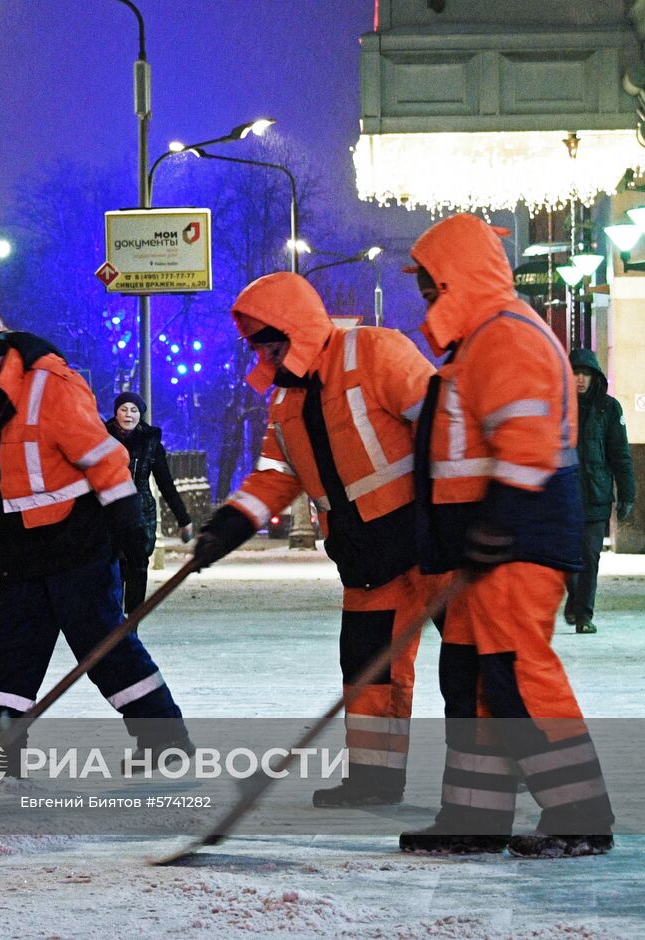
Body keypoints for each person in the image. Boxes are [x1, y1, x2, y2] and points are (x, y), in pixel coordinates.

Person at [187, 272, 444, 807]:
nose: (267, 356)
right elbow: (275, 477)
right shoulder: (285, 404)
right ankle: (375, 780)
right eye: (259, 346)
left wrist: (460, 515)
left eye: (273, 343)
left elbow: (444, 429)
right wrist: (226, 529)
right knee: (368, 670)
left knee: (480, 664)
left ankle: (496, 789)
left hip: (430, 546)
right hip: (367, 560)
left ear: (297, 331)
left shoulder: (377, 352)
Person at [401, 212, 612, 857]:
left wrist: (495, 523)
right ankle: (476, 818)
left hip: (516, 540)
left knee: (519, 676)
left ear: (458, 278)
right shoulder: (483, 340)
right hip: (489, 542)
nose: (427, 298)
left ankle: (580, 816)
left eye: (432, 285)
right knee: (477, 683)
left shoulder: (505, 335)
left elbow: (525, 437)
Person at [0, 301, 193, 767]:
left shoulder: (51, 386)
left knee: (105, 649)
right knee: (13, 652)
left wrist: (130, 527)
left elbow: (106, 460)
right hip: (21, 554)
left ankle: (164, 743)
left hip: (77, 547)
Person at [564, 349, 634, 634]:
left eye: (586, 374)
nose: (580, 379)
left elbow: (620, 454)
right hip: (565, 496)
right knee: (567, 557)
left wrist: (627, 493)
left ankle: (584, 615)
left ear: (595, 377)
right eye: (575, 373)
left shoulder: (609, 408)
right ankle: (576, 598)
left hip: (595, 495)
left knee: (590, 555)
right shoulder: (556, 406)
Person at [105, 392, 193, 614]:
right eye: (124, 409)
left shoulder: (150, 442)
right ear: (116, 413)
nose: (129, 415)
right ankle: (112, 622)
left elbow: (166, 483)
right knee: (112, 568)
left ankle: (132, 620)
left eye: (134, 410)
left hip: (140, 512)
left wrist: (183, 519)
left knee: (138, 566)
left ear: (140, 415)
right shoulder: (101, 438)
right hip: (108, 511)